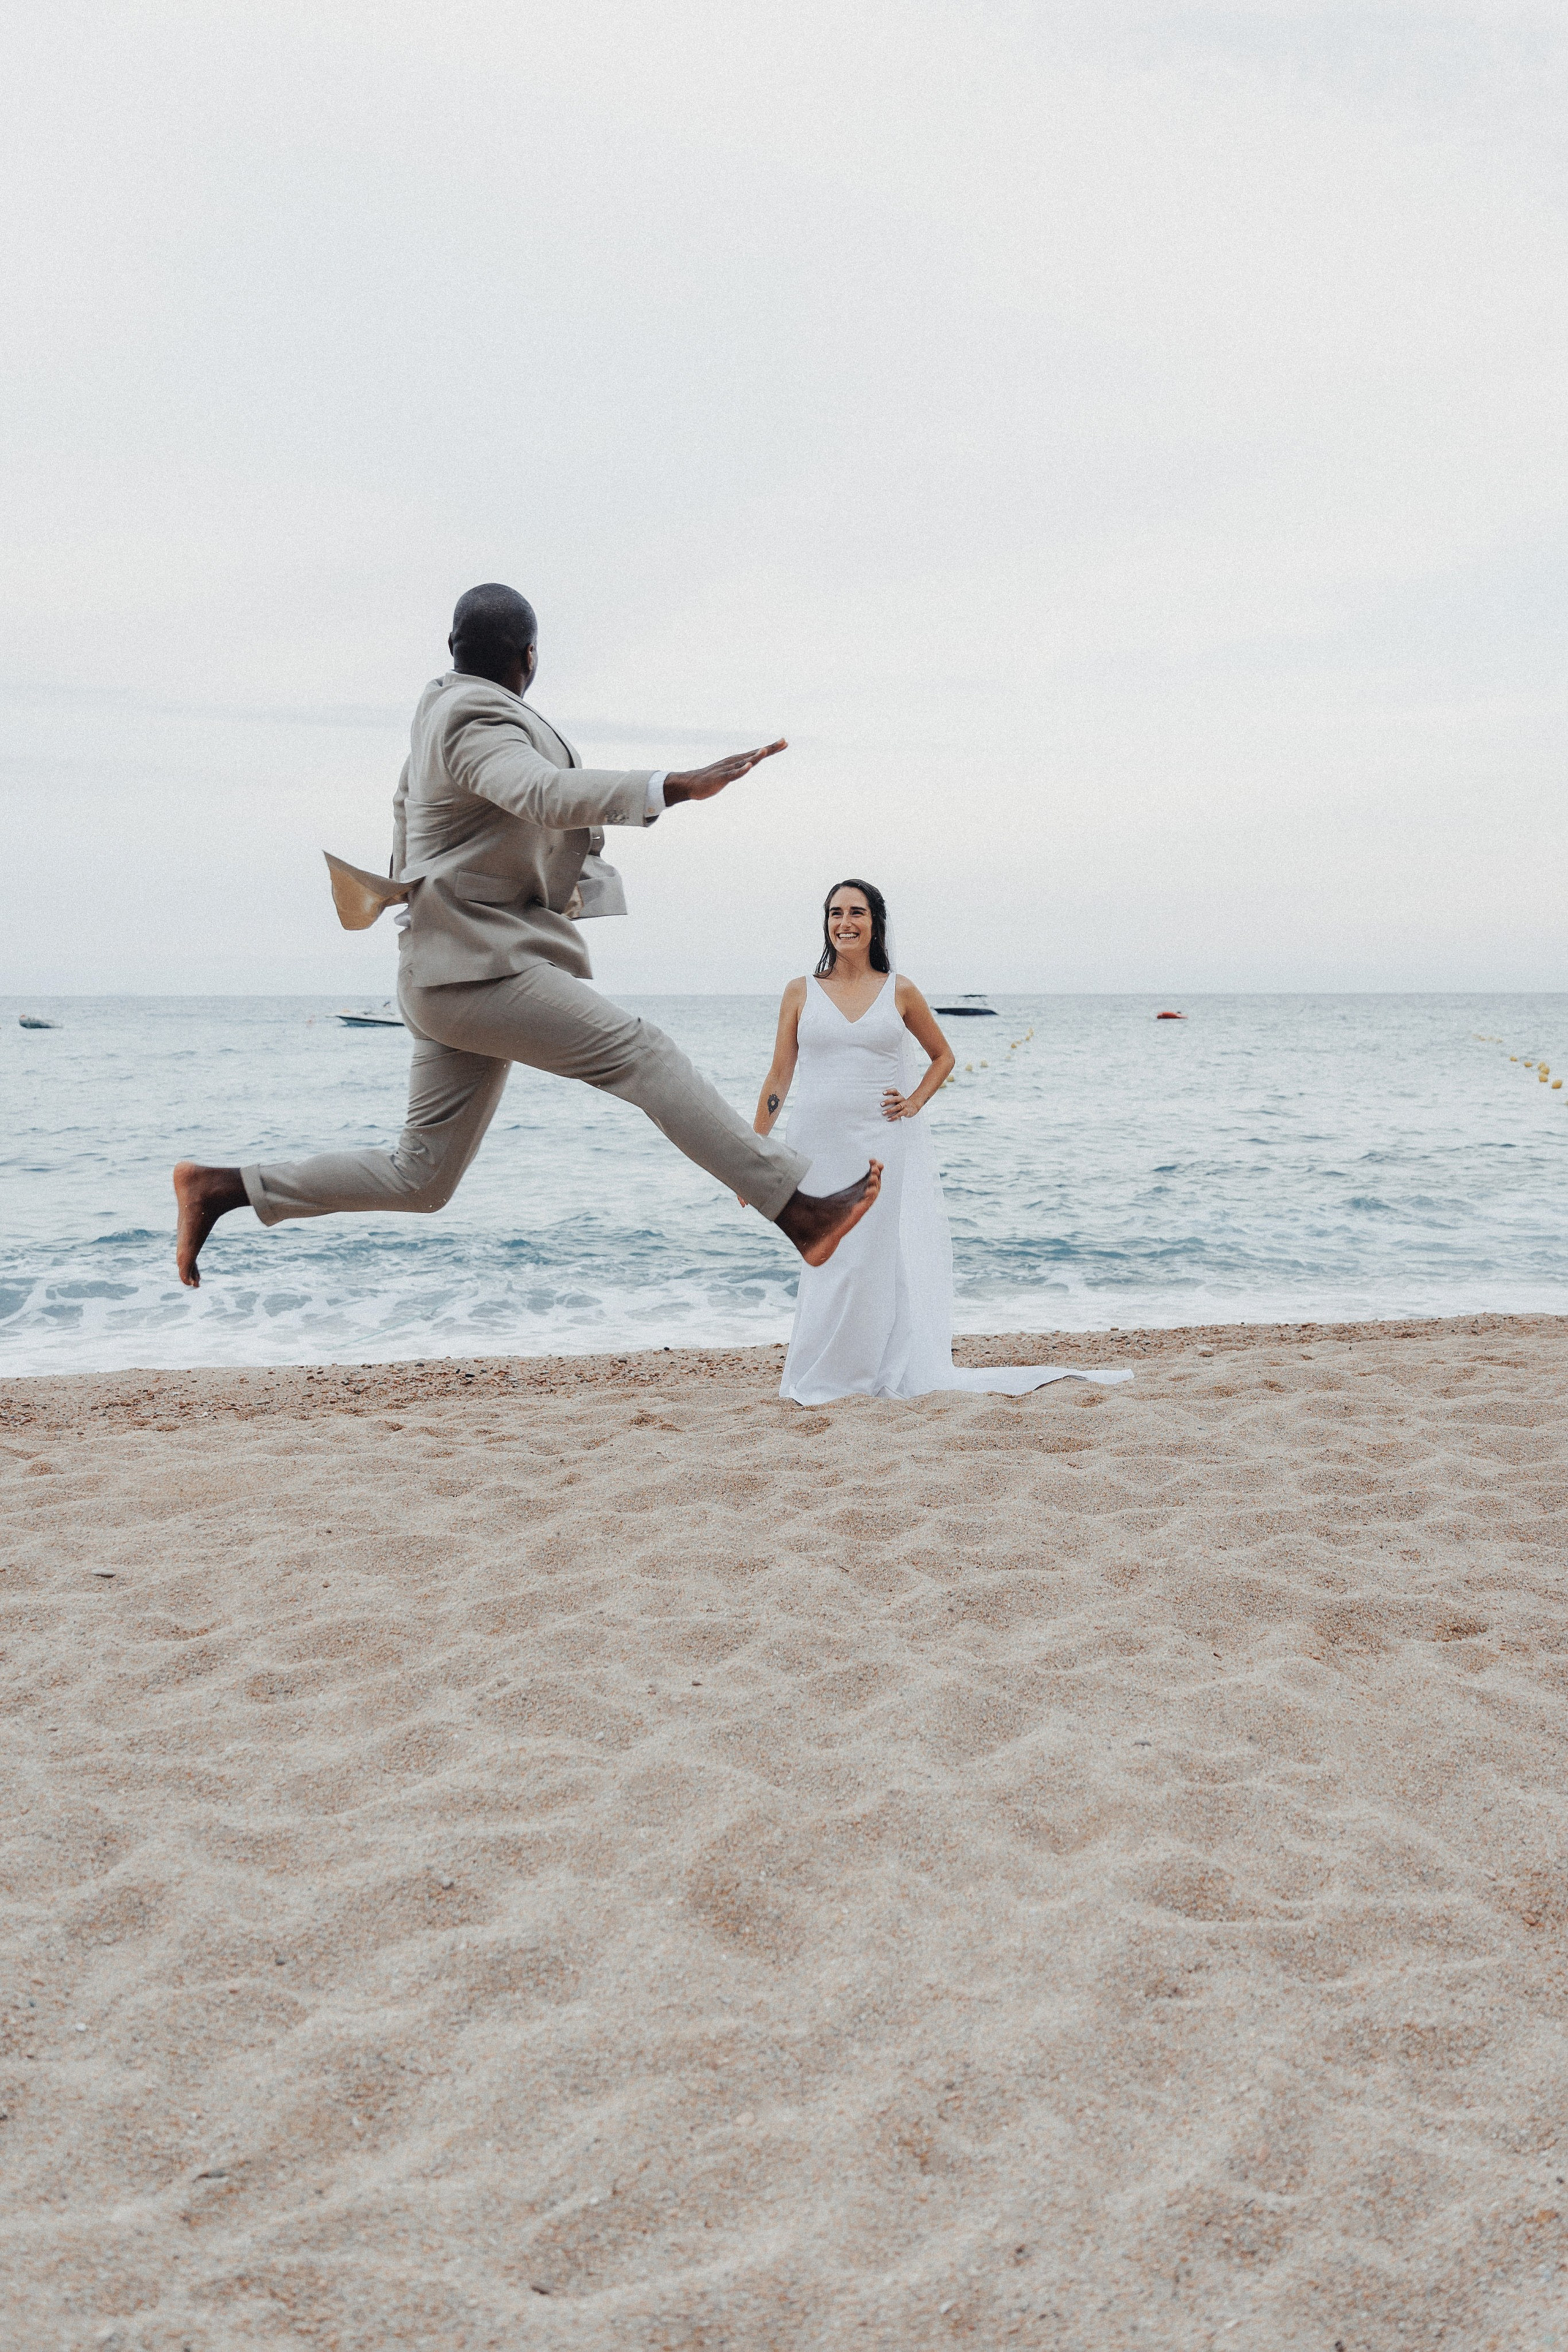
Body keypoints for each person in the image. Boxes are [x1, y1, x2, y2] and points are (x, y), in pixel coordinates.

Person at [173, 585, 881, 1286]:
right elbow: (540, 791)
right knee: (643, 1054)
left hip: (441, 972)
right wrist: (672, 784)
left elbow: (409, 838)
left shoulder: (433, 719)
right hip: (475, 972)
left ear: (452, 648)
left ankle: (222, 1188)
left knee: (421, 1178)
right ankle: (797, 1213)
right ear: (530, 658)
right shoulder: (473, 717)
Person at [752, 879, 1133, 1406]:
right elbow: (778, 1077)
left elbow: (942, 1056)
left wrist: (912, 1102)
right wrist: (751, 1156)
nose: (845, 922)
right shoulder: (800, 991)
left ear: (874, 922)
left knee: (869, 1257)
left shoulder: (899, 990)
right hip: (815, 1144)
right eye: (836, 913)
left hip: (879, 1143)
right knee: (825, 1255)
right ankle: (819, 1372)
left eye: (856, 912)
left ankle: (866, 1375)